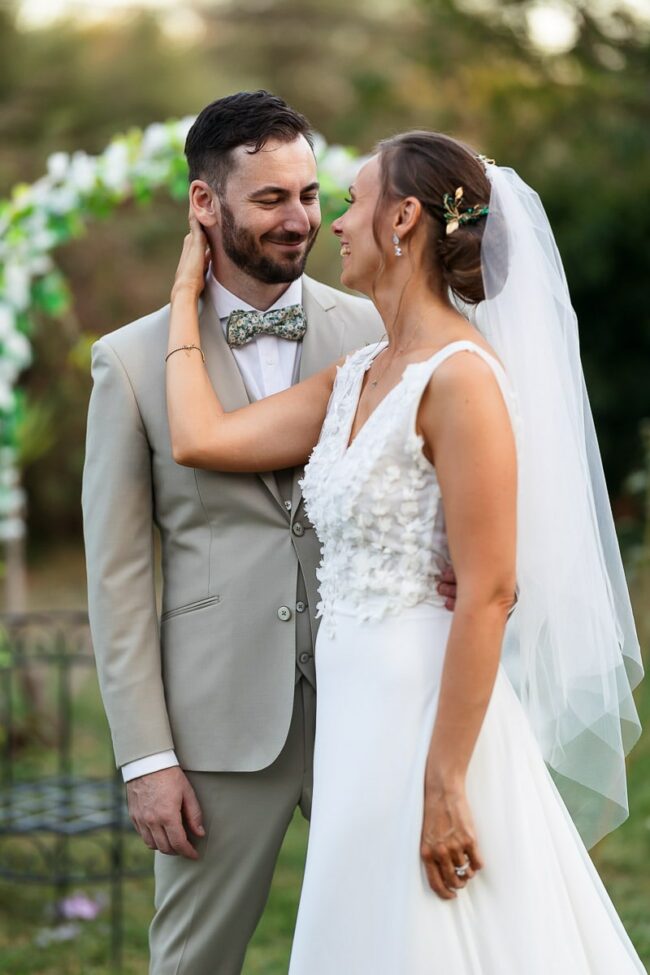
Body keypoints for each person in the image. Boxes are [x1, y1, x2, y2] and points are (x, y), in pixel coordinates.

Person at [166, 129, 645, 973]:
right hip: (357, 712)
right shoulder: (359, 373)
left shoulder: (461, 377)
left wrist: (446, 780)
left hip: (427, 710)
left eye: (351, 200)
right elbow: (199, 437)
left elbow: (491, 588)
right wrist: (184, 289)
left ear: (405, 219)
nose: (334, 224)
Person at [82, 92, 458, 975]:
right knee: (194, 960)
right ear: (204, 204)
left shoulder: (374, 329)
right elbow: (119, 577)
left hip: (370, 701)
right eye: (270, 200)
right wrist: (146, 755)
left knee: (408, 939)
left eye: (311, 195)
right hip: (217, 727)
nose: (300, 221)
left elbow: (439, 473)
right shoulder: (131, 364)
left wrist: (449, 556)